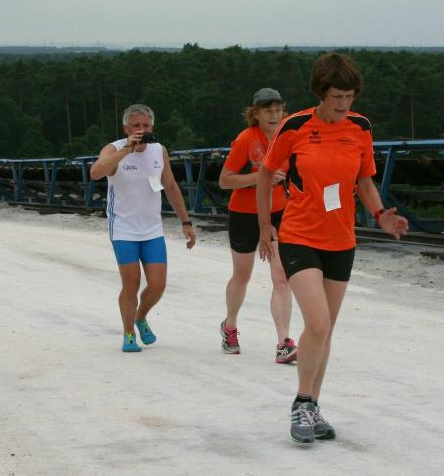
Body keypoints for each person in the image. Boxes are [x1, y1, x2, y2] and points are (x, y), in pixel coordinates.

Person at [256, 53, 409, 444]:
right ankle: (301, 403)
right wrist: (264, 226)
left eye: (350, 96)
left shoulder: (360, 127)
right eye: (337, 96)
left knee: (325, 331)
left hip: (341, 239)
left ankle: (313, 406)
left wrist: (381, 215)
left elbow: (365, 181)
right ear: (321, 93)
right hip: (299, 236)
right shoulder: (295, 126)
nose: (344, 104)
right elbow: (265, 174)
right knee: (318, 323)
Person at [90, 104, 197, 352]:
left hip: (152, 229)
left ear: (152, 126)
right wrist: (126, 149)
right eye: (136, 126)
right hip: (123, 228)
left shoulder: (159, 150)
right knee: (131, 284)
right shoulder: (114, 148)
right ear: (126, 128)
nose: (142, 130)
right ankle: (128, 333)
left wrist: (186, 221)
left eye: (146, 125)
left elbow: (170, 186)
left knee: (158, 285)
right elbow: (96, 172)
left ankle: (140, 317)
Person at [218, 88, 295, 363]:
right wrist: (261, 177)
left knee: (281, 276)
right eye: (267, 111)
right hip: (244, 214)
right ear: (256, 114)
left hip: (278, 213)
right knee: (242, 275)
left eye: (277, 110)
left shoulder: (289, 137)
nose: (274, 115)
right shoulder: (246, 139)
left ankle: (283, 342)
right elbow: (224, 180)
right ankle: (230, 326)